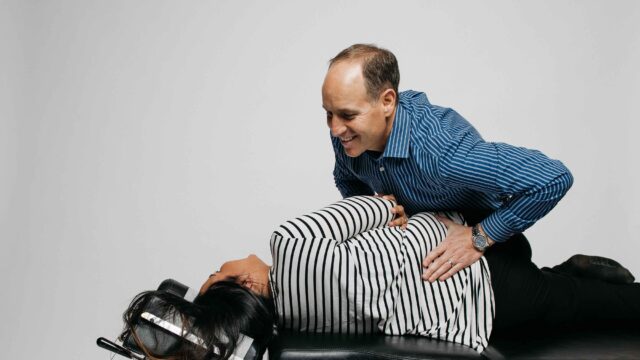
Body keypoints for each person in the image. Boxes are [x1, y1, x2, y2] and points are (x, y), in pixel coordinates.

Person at [121, 196, 639, 358]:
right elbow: (383, 206)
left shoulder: (298, 326)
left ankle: (562, 271)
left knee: (548, 300)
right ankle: (571, 273)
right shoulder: (289, 242)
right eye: (221, 271)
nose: (227, 261)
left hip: (471, 311)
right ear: (247, 285)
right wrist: (397, 222)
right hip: (472, 275)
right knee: (577, 304)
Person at [321, 43, 575, 283]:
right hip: (426, 235)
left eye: (347, 115)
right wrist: (376, 209)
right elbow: (346, 178)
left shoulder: (440, 150)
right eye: (329, 113)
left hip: (489, 242)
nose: (335, 129)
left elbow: (553, 178)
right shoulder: (348, 139)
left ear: (387, 102)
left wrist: (479, 237)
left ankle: (578, 273)